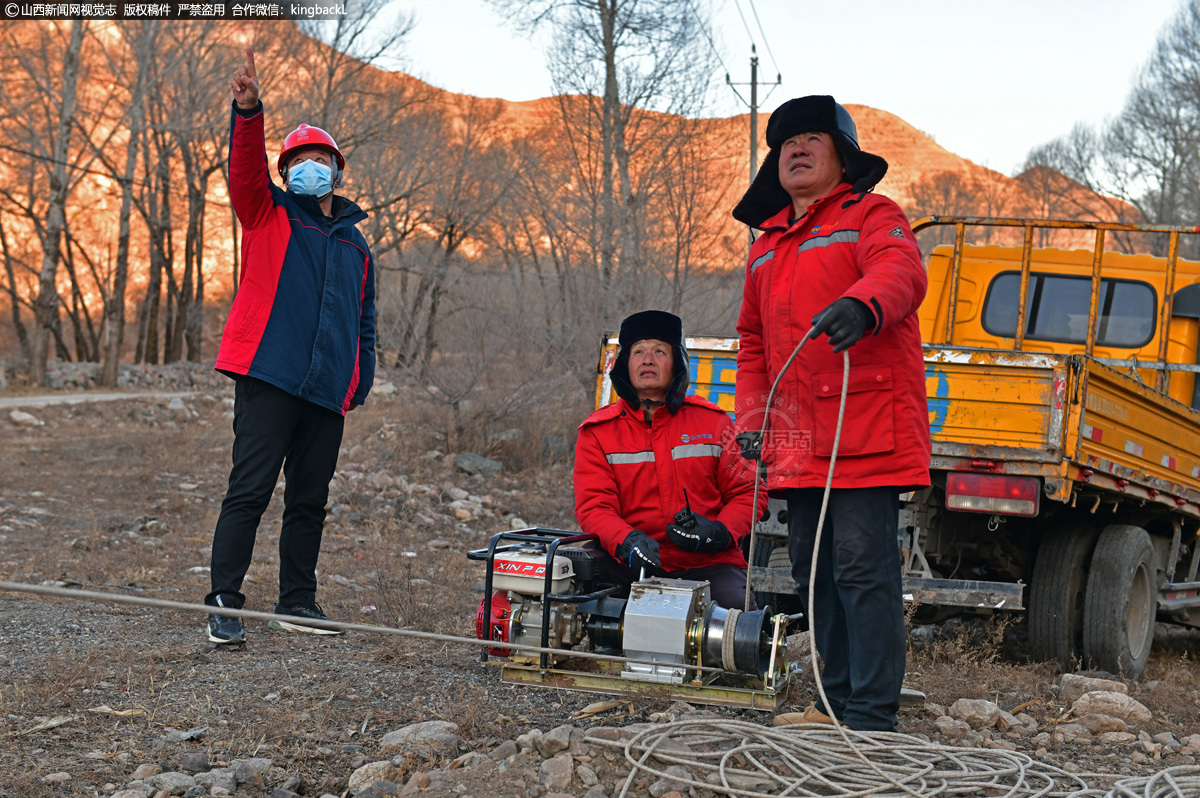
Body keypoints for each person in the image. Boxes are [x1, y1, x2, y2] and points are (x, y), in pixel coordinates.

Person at [731, 96, 930, 731]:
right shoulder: (765, 249)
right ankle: (835, 700)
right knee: (813, 575)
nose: (796, 148)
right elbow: (754, 345)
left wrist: (864, 304)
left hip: (864, 428)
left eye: (812, 137)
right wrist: (751, 420)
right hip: (797, 440)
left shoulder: (875, 214)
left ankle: (872, 716)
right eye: (786, 141)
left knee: (860, 570)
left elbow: (901, 269)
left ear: (841, 154)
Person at [203, 48, 376, 645]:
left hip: (327, 391)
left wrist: (360, 380)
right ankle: (226, 601)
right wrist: (247, 112)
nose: (310, 167)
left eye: (319, 159)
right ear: (285, 170)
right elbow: (244, 172)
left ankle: (297, 601)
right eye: (298, 160)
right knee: (248, 491)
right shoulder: (267, 214)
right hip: (269, 375)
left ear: (338, 169)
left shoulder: (357, 246)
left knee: (310, 501)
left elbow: (366, 323)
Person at [573, 310, 766, 610]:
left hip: (707, 566)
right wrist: (627, 542)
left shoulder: (714, 423)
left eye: (659, 351)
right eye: (638, 351)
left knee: (738, 624)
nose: (648, 360)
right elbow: (594, 507)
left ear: (678, 361)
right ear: (626, 364)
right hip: (626, 563)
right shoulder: (597, 433)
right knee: (574, 595)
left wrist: (718, 532)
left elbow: (750, 493)